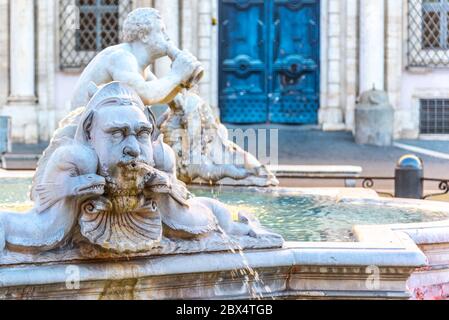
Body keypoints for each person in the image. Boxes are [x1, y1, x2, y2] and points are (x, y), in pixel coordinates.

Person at [70, 7, 201, 110]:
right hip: (85, 132)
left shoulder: (141, 66)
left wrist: (183, 82)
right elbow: (144, 94)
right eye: (161, 31)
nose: (167, 37)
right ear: (144, 35)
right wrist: (177, 74)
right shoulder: (121, 57)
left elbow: (161, 97)